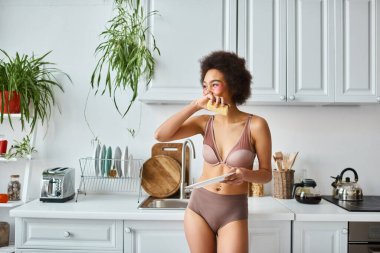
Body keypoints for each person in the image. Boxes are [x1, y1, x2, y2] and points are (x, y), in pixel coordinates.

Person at [154, 51, 272, 253]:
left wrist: (245, 174)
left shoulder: (256, 125)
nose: (208, 92)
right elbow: (160, 135)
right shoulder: (204, 122)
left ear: (233, 86)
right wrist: (194, 106)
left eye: (214, 85)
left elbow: (267, 174)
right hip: (199, 208)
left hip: (233, 211)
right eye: (205, 86)